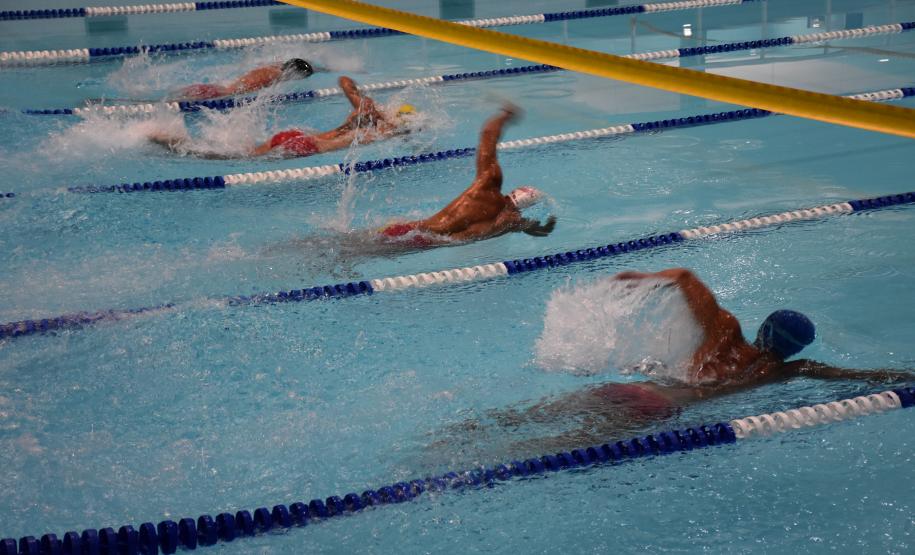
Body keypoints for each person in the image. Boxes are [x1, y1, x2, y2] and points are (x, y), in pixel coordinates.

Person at [474, 268, 914, 452]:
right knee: (554, 449)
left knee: (527, 417)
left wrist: (641, 281)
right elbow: (861, 378)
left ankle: (461, 435)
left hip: (637, 391)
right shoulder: (792, 370)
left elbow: (685, 278)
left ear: (764, 329)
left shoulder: (727, 334)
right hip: (659, 410)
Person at [376, 104, 556, 245]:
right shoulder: (503, 223)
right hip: (413, 239)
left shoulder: (490, 186)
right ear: (519, 209)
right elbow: (462, 238)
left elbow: (487, 134)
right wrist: (534, 227)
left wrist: (505, 115)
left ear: (512, 194)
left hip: (405, 232)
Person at [149, 76, 415, 159]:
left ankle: (170, 139)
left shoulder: (364, 109)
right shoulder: (383, 131)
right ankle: (173, 143)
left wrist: (364, 98)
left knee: (235, 153)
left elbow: (345, 82)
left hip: (295, 136)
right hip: (307, 146)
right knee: (233, 159)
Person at [170, 58, 315, 101]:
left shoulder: (275, 68)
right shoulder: (275, 75)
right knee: (167, 103)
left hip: (213, 88)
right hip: (215, 93)